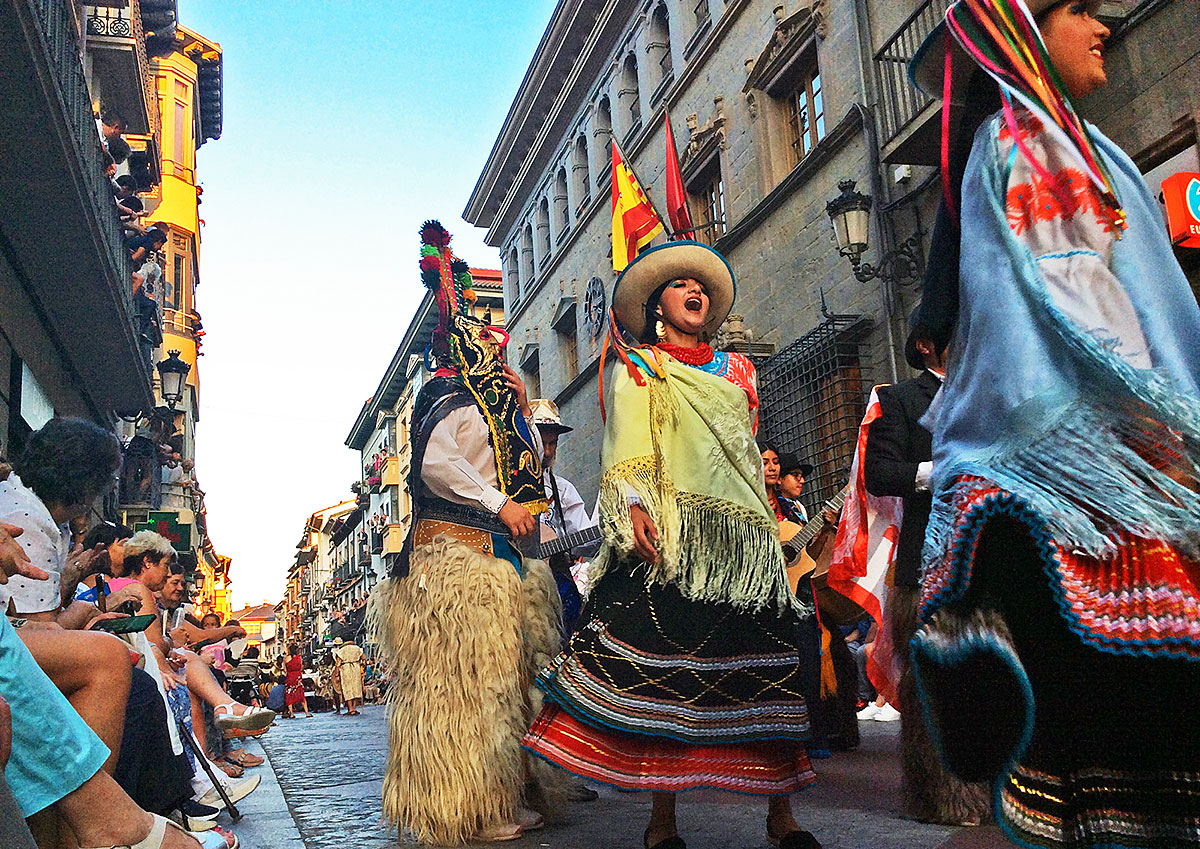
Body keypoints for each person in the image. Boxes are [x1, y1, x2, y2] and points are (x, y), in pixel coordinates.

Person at [905, 2, 1200, 846]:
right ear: (1027, 31)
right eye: (1078, 9)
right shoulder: (1026, 145)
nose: (1105, 25)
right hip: (1092, 473)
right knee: (1110, 709)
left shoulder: (1081, 146)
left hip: (1124, 464)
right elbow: (1068, 307)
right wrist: (1155, 433)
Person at [523, 241, 821, 849]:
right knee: (668, 681)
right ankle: (663, 822)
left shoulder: (741, 373)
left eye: (702, 286)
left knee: (765, 676)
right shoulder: (639, 369)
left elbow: (742, 450)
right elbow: (627, 446)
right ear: (658, 303)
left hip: (743, 543)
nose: (695, 291)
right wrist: (634, 506)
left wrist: (762, 522)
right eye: (680, 284)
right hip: (675, 541)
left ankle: (782, 818)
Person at [370, 221, 562, 845]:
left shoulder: (503, 411)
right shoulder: (447, 399)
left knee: (501, 692)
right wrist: (498, 501)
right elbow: (434, 462)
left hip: (496, 566)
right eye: (489, 347)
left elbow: (528, 474)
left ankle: (493, 798)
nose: (497, 356)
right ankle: (467, 811)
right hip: (455, 564)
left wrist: (522, 401)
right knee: (463, 694)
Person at [862, 312, 987, 823]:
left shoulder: (988, 394)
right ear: (928, 344)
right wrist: (941, 471)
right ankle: (943, 798)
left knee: (992, 681)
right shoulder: (899, 400)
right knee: (934, 685)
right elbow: (879, 472)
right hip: (928, 566)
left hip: (988, 557)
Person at [530, 398, 599, 630]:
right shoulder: (504, 486)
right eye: (542, 443)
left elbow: (587, 540)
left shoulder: (563, 489)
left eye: (553, 444)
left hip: (554, 582)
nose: (547, 452)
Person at [332, 637, 365, 716]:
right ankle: (354, 708)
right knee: (356, 688)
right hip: (356, 668)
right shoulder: (357, 649)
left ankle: (350, 709)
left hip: (345, 669)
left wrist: (336, 674)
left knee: (347, 689)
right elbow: (364, 659)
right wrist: (362, 668)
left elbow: (338, 663)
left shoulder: (341, 651)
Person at [283, 643, 309, 718]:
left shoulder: (286, 658)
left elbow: (285, 670)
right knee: (301, 694)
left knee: (289, 695)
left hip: (290, 677)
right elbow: (301, 668)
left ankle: (291, 713)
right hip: (298, 677)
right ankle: (307, 713)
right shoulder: (299, 658)